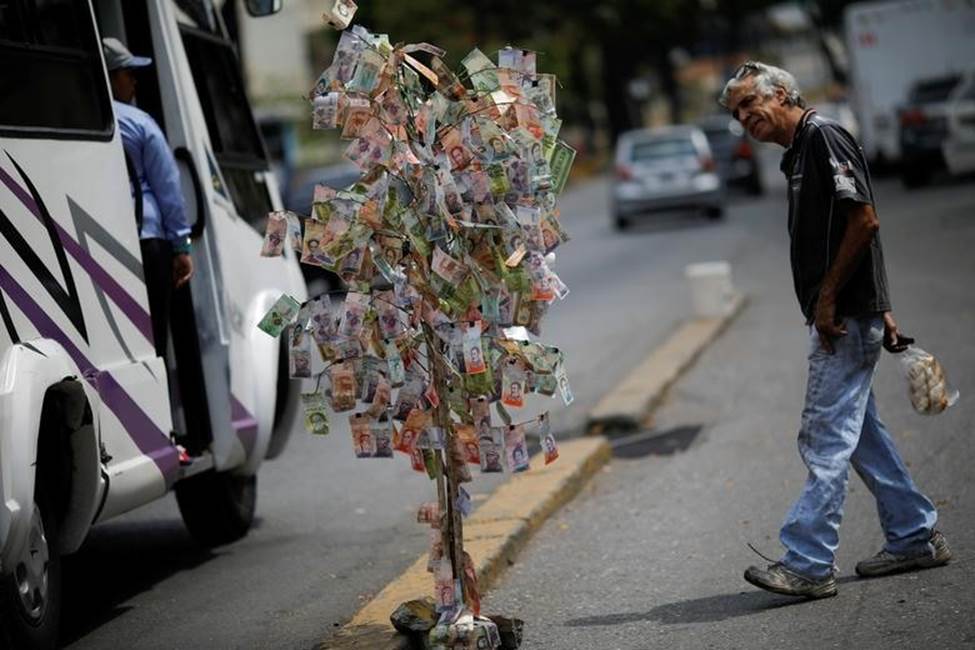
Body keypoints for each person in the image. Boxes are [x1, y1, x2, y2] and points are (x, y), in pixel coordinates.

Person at [720, 61, 949, 600]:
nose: (745, 117)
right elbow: (855, 226)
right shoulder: (799, 151)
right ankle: (915, 535)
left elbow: (865, 220)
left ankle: (808, 560)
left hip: (842, 319)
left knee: (824, 439)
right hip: (851, 313)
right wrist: (881, 305)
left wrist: (834, 299)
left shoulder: (823, 137)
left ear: (781, 94)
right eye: (737, 113)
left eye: (751, 104)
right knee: (862, 438)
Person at [104, 37, 193, 358]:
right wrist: (181, 246)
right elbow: (168, 189)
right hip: (148, 241)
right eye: (128, 73)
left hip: (103, 242)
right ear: (112, 77)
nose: (134, 80)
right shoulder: (139, 123)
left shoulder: (71, 117)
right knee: (154, 340)